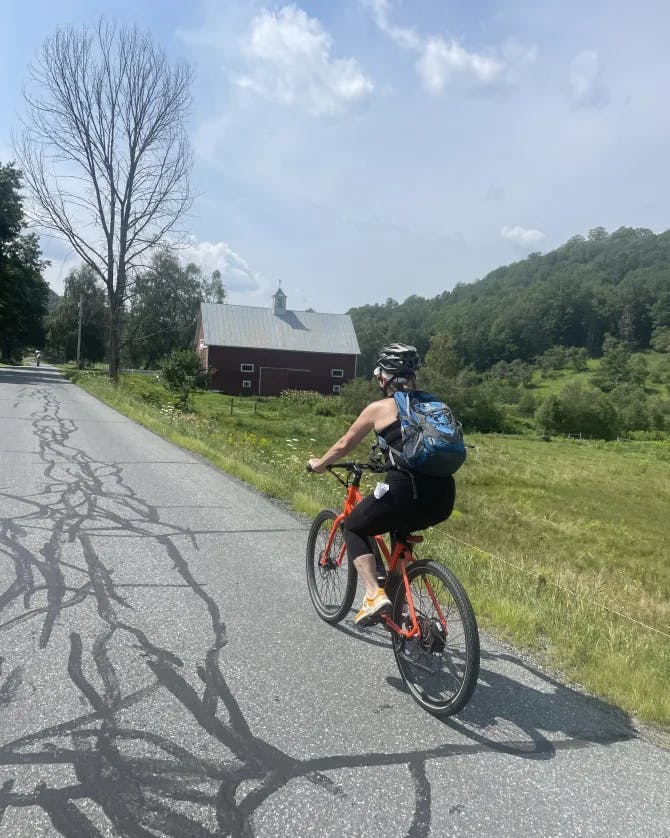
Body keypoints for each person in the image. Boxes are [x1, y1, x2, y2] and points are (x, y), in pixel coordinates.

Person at [307, 343, 456, 625]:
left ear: (382, 377)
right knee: (399, 537)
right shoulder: (435, 404)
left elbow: (342, 446)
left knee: (353, 524)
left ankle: (374, 595)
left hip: (404, 491)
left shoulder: (379, 408)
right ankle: (398, 608)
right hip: (443, 496)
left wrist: (320, 463)